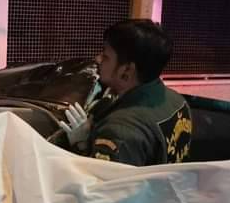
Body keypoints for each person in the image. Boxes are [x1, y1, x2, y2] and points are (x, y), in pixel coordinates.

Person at [59, 19, 192, 166]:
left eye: (106, 56)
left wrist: (81, 145)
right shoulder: (178, 101)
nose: (98, 59)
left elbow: (99, 180)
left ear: (126, 71)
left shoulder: (119, 132)